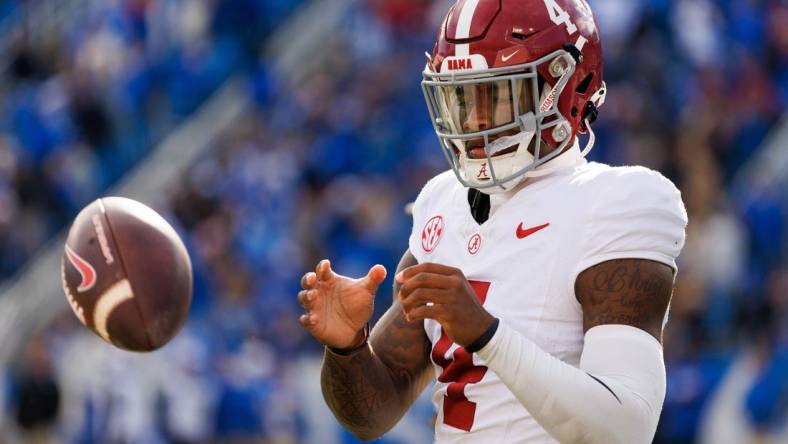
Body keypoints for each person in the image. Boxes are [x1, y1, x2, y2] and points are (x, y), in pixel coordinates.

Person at [297, 0, 688, 442]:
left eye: (497, 94)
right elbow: (371, 414)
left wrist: (485, 334)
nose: (475, 118)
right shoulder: (442, 201)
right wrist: (348, 347)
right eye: (462, 96)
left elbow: (625, 429)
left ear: (565, 85)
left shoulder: (617, 201)